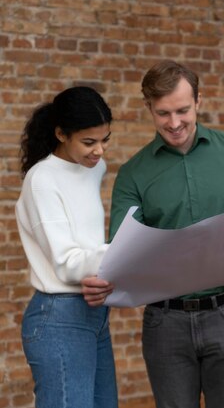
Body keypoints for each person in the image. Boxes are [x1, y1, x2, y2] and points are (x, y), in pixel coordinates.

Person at [106, 60, 224, 408]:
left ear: (199, 101)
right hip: (165, 321)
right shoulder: (132, 174)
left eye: (182, 110)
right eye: (163, 113)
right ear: (149, 109)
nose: (174, 123)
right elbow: (122, 251)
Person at [16, 86, 117, 408]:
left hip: (95, 312)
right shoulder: (42, 179)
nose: (99, 151)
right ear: (61, 133)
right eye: (89, 142)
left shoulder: (93, 168)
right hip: (58, 317)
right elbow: (66, 262)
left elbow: (87, 243)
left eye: (105, 140)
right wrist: (124, 253)